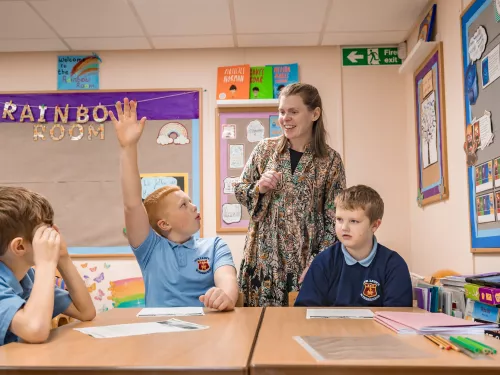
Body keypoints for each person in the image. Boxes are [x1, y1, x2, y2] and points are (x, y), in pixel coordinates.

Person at [109, 98, 238, 310]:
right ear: (164, 224)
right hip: (159, 334)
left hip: (205, 333)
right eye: (183, 205)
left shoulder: (214, 246)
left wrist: (225, 296)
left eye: (190, 201)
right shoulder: (150, 248)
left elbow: (228, 281)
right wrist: (128, 147)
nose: (194, 207)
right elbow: (132, 204)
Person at [234, 83, 346, 307]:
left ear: (315, 114)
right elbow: (239, 189)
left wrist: (317, 263)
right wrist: (259, 188)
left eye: (293, 112)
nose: (285, 118)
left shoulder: (330, 161)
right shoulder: (264, 150)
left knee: (301, 332)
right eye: (282, 111)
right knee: (260, 332)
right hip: (263, 262)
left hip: (305, 266)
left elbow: (334, 218)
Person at [0, 187, 95, 346]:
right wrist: (45, 263)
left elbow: (85, 311)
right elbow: (35, 330)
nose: (53, 236)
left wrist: (63, 258)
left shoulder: (26, 277)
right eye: (44, 233)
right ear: (20, 247)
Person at [295, 185, 413, 307]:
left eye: (354, 221)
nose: (344, 227)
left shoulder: (394, 266)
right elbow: (304, 312)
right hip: (330, 326)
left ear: (375, 225)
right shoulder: (323, 262)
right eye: (339, 219)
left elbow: (397, 317)